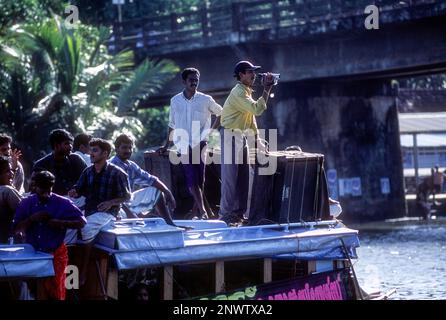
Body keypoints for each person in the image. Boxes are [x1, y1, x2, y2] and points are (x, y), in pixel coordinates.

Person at [158, 68, 222, 219]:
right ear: (184, 82)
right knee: (191, 178)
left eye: (196, 80)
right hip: (183, 144)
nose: (194, 82)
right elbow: (172, 125)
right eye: (191, 80)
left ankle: (197, 211)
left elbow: (221, 113)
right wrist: (166, 145)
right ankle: (205, 212)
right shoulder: (175, 101)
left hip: (200, 143)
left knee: (201, 179)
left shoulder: (205, 99)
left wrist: (211, 131)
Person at [66, 138, 132, 286]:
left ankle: (83, 271)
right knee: (68, 226)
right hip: (89, 210)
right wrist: (74, 191)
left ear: (105, 153)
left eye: (95, 150)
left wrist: (110, 202)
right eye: (91, 150)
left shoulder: (118, 173)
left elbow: (127, 196)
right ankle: (70, 274)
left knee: (87, 227)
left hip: (109, 212)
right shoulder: (88, 171)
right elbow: (79, 188)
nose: (91, 154)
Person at [13, 171, 86, 300]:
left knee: (56, 293)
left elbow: (81, 222)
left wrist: (59, 223)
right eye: (42, 190)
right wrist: (31, 219)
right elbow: (16, 228)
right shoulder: (26, 203)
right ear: (35, 186)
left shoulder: (62, 202)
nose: (46, 194)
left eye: (49, 189)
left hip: (56, 254)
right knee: (33, 290)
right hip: (33, 254)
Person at [219, 61, 275, 224]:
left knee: (243, 178)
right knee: (230, 179)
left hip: (241, 136)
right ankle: (224, 216)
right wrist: (267, 89)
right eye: (250, 72)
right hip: (230, 136)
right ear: (241, 75)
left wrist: (258, 142)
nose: (254, 75)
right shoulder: (238, 92)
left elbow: (251, 120)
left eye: (254, 72)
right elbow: (257, 110)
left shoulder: (246, 92)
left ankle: (238, 214)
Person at [111, 134, 177, 226]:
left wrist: (167, 192)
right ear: (116, 149)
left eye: (130, 148)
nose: (128, 151)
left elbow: (152, 180)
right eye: (124, 148)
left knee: (157, 191)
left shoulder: (131, 166)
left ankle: (169, 223)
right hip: (114, 205)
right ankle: (139, 216)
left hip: (128, 201)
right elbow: (112, 196)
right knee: (137, 223)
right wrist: (130, 213)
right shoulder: (112, 165)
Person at [32, 129, 87, 197]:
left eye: (71, 143)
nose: (70, 146)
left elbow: (88, 180)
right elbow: (34, 191)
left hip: (78, 200)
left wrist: (77, 190)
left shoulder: (76, 159)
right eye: (66, 143)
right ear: (56, 146)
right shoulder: (41, 165)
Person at [0, 156, 22, 243]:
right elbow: (25, 209)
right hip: (6, 242)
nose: (12, 174)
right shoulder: (6, 191)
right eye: (7, 171)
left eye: (12, 170)